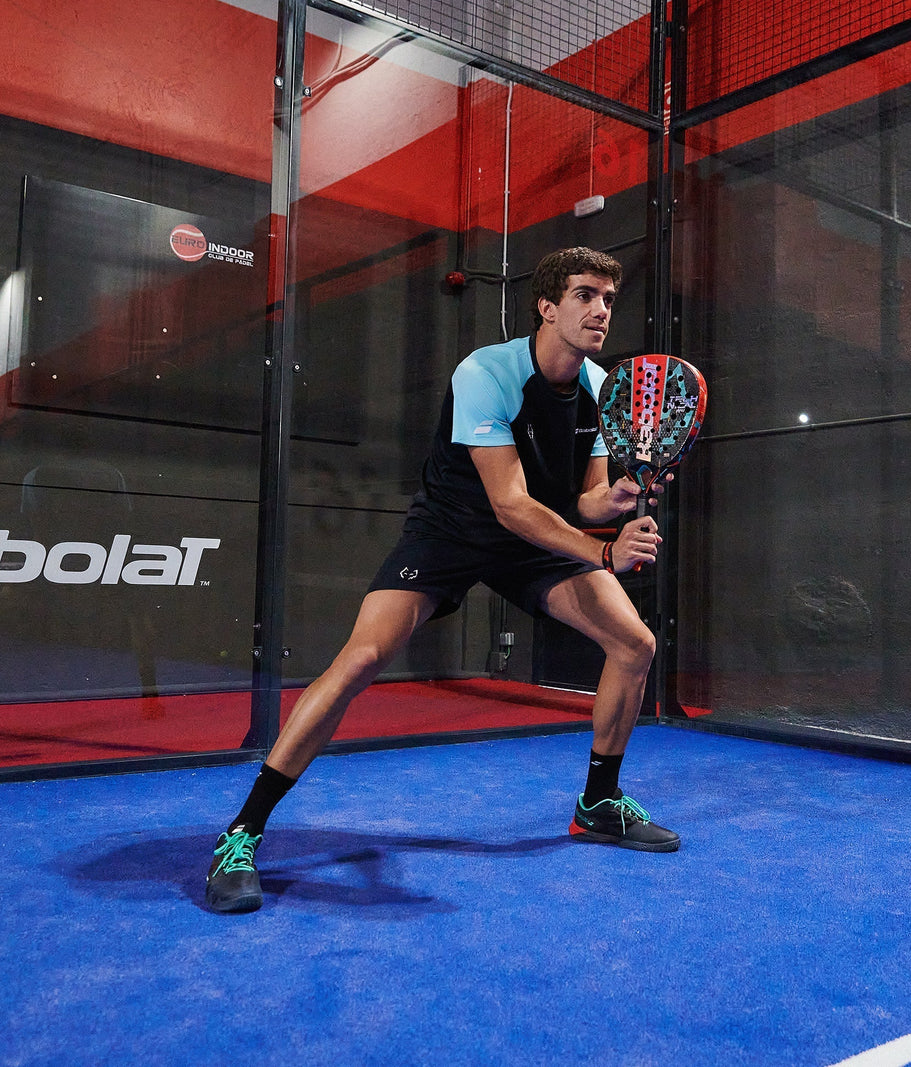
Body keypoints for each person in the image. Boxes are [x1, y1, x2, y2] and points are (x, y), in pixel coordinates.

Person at [205, 246, 679, 914]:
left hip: (534, 542)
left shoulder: (604, 391)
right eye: (584, 294)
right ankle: (243, 831)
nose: (601, 309)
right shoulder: (487, 372)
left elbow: (586, 500)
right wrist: (603, 556)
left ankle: (599, 801)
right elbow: (509, 502)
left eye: (607, 297)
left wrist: (619, 500)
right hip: (452, 532)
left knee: (635, 643)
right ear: (547, 305)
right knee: (361, 659)